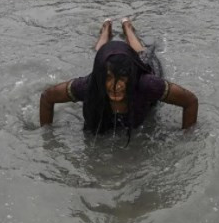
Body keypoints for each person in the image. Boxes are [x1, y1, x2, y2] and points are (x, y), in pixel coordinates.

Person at [39, 18, 198, 140]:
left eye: (123, 78)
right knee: (102, 54)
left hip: (140, 64)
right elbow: (47, 98)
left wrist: (186, 139)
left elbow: (190, 101)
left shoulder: (147, 84)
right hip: (107, 62)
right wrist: (47, 137)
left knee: (141, 53)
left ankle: (128, 28)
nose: (116, 86)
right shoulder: (88, 86)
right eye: (108, 78)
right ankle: (105, 30)